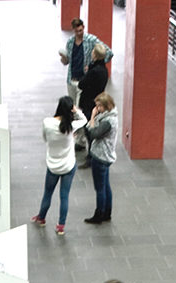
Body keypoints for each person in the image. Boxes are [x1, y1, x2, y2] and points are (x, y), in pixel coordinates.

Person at [32, 96, 87, 236]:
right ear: (71, 109)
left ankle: (41, 218)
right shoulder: (71, 125)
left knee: (48, 193)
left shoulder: (47, 122)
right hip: (68, 166)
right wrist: (77, 111)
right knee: (64, 196)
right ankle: (61, 226)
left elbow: (45, 138)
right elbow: (84, 120)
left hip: (53, 166)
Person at [58, 18, 113, 105]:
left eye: (80, 30)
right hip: (71, 80)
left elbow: (109, 52)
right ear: (73, 30)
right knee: (71, 107)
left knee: (79, 108)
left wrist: (96, 65)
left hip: (83, 81)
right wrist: (64, 59)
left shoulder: (91, 40)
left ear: (83, 27)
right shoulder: (70, 42)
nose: (79, 33)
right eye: (76, 31)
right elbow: (67, 61)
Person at [83, 92, 118, 224]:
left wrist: (92, 117)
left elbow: (93, 134)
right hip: (107, 155)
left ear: (106, 105)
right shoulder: (111, 116)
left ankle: (99, 214)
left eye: (99, 106)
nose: (97, 109)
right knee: (106, 185)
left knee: (100, 188)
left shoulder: (107, 121)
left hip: (100, 156)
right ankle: (107, 212)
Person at [76, 43, 109, 161]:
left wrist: (87, 73)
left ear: (95, 55)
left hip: (89, 103)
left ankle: (91, 157)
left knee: (89, 130)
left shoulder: (93, 71)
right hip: (98, 101)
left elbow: (81, 84)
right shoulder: (104, 70)